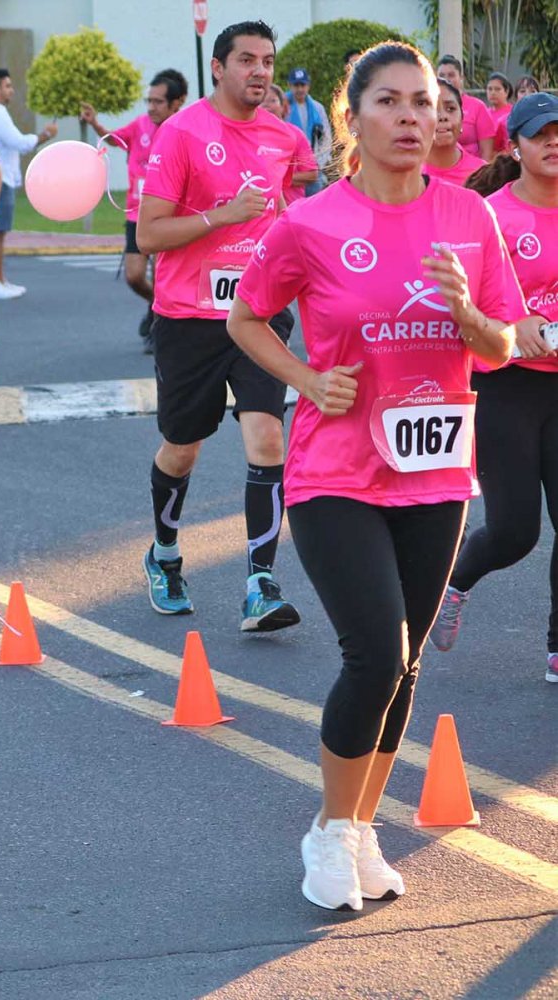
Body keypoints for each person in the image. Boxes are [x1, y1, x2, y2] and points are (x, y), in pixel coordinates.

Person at [227, 42, 524, 911]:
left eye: (423, 102)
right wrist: (306, 378)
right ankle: (329, 830)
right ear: (353, 118)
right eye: (389, 102)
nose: (410, 117)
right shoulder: (313, 223)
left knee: (406, 667)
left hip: (435, 472)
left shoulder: (470, 216)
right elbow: (246, 316)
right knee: (376, 655)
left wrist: (466, 311)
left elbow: (502, 344)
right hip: (336, 472)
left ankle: (360, 828)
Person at [134, 20, 306, 630]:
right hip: (189, 317)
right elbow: (149, 234)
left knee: (268, 439)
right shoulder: (182, 133)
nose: (260, 71)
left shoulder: (286, 137)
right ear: (218, 67)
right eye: (247, 60)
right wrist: (223, 215)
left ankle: (261, 583)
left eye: (268, 61)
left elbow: (292, 210)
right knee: (183, 449)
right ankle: (164, 553)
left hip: (257, 312)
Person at [432, 92, 558, 685]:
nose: (554, 143)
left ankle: (557, 646)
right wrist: (514, 324)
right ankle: (453, 583)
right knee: (514, 532)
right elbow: (463, 306)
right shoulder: (490, 215)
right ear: (515, 146)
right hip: (507, 386)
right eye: (541, 135)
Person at [82, 69, 189, 354]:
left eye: (158, 102)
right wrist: (95, 123)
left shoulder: (184, 131)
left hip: (170, 217)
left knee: (165, 278)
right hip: (137, 215)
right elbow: (114, 139)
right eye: (149, 101)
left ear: (176, 103)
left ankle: (160, 328)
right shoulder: (140, 125)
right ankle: (155, 308)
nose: (151, 107)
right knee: (134, 275)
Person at [0, 67, 57, 299]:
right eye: (8, 86)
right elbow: (18, 142)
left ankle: (0, 280)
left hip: (1, 178)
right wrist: (45, 135)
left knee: (0, 232)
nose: (11, 90)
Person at [266, 86, 321, 205]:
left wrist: (278, 179)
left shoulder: (295, 134)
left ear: (283, 106)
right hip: (259, 211)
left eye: (272, 100)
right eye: (261, 101)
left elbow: (312, 174)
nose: (266, 105)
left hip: (291, 208)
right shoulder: (248, 135)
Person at [436, 56, 496, 161]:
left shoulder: (477, 107)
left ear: (461, 78)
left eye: (451, 75)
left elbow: (487, 153)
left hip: (472, 169)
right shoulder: (429, 107)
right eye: (441, 76)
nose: (446, 79)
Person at [426, 80, 486, 186]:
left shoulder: (482, 174)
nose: (443, 116)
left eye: (450, 109)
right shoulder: (404, 172)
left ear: (462, 118)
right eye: (432, 109)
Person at [284, 68, 330, 195]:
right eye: (296, 85)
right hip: (291, 169)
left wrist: (319, 163)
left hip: (313, 166)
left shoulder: (317, 108)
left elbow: (326, 137)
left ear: (308, 86)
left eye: (303, 85)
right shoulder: (283, 107)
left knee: (315, 203)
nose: (300, 89)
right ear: (289, 85)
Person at [486, 73, 514, 153]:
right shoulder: (483, 113)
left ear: (506, 91)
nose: (493, 93)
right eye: (490, 89)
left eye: (497, 89)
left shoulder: (513, 112)